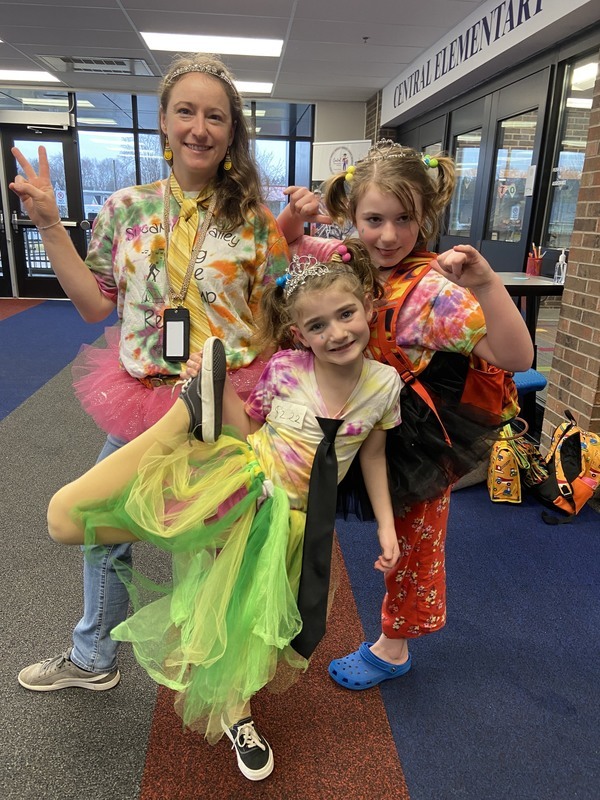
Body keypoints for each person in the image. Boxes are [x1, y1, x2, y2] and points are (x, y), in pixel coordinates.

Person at [45, 241, 403, 780]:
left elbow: (373, 455)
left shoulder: (384, 386)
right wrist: (210, 386)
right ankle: (182, 416)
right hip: (245, 487)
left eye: (346, 314)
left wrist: (387, 527)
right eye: (318, 325)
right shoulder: (286, 370)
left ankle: (238, 709)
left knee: (255, 620)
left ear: (368, 307)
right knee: (80, 523)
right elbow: (250, 425)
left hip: (297, 525)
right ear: (300, 334)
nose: (336, 333)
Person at [10, 53, 289, 692]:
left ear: (232, 132)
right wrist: (49, 224)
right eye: (185, 111)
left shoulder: (253, 221)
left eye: (215, 116)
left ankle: (223, 678)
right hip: (140, 399)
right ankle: (92, 658)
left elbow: (278, 316)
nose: (199, 128)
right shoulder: (125, 209)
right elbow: (94, 305)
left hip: (223, 401)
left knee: (219, 540)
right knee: (99, 522)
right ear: (163, 121)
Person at [277, 140, 533, 689]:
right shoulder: (343, 260)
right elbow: (287, 247)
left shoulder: (433, 293)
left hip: (415, 437)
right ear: (351, 216)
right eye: (374, 220)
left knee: (414, 542)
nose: (389, 236)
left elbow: (515, 357)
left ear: (425, 217)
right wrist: (295, 216)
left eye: (405, 219)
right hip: (356, 418)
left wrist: (487, 285)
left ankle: (394, 646)